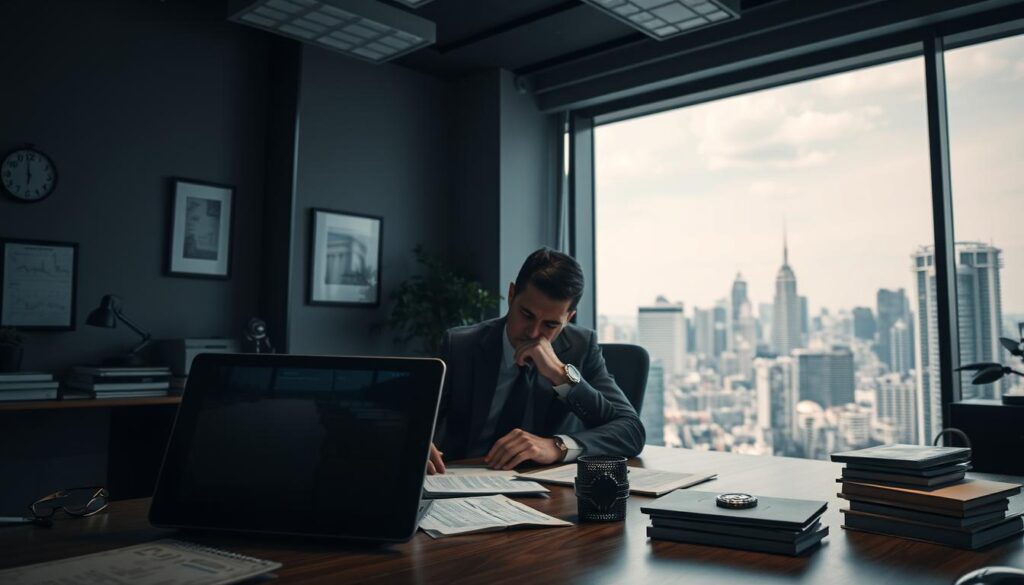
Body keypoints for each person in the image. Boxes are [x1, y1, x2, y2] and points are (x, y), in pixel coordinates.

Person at [427, 248, 645, 474]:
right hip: (462, 479)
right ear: (511, 295)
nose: (533, 333)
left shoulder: (581, 348)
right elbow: (413, 420)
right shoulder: (460, 346)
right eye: (527, 315)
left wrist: (561, 378)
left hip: (545, 488)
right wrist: (420, 442)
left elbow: (630, 431)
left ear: (568, 318)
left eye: (550, 325)